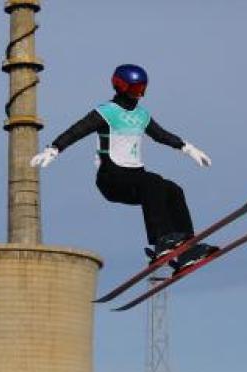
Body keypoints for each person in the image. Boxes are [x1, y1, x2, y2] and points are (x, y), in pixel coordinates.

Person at [30, 64, 215, 270]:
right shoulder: (106, 112)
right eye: (135, 89)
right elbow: (77, 131)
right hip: (111, 178)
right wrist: (54, 149)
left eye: (142, 89)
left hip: (136, 178)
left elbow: (161, 135)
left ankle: (187, 248)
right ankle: (162, 241)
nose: (139, 94)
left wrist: (187, 148)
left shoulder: (141, 115)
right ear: (121, 86)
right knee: (153, 182)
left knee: (173, 190)